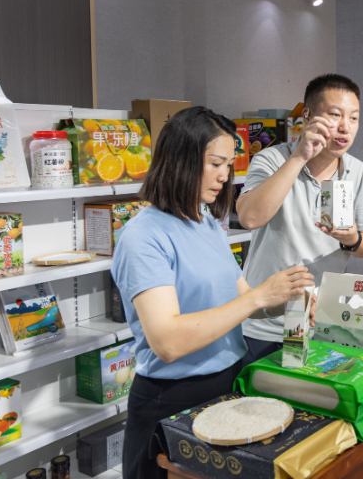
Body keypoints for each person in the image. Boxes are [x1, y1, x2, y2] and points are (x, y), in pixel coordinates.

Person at [112, 107, 315, 479]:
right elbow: (168, 342)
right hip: (171, 399)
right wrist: (257, 297)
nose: (224, 176)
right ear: (180, 160)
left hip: (227, 385)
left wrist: (284, 299)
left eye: (229, 165)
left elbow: (242, 301)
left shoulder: (206, 222)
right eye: (215, 164)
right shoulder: (142, 237)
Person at [237, 73, 363, 359]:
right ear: (307, 116)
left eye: (354, 118)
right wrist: (300, 157)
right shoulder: (271, 159)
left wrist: (352, 238)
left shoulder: (356, 171)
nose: (345, 126)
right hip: (265, 323)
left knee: (312, 388)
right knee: (265, 387)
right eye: (335, 115)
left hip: (323, 322)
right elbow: (249, 218)